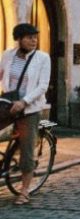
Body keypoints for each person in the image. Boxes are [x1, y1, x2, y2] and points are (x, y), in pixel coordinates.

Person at [0, 22, 52, 206]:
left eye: (35, 37)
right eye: (30, 37)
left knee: (27, 149)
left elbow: (42, 86)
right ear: (19, 39)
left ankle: (24, 191)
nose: (34, 40)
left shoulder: (42, 58)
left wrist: (24, 102)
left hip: (30, 108)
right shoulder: (8, 55)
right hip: (9, 103)